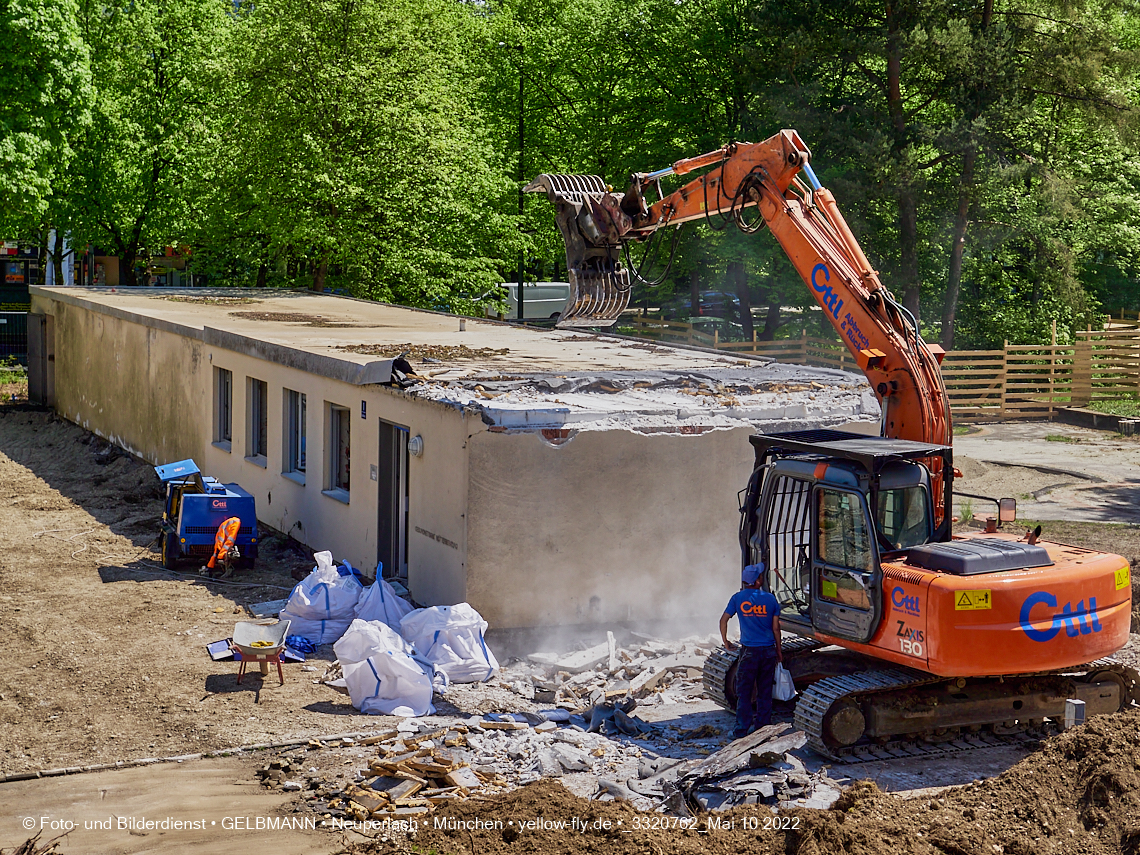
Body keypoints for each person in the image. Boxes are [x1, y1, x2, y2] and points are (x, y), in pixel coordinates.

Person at [720, 562, 782, 739]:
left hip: (749, 652)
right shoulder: (770, 599)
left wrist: (725, 641)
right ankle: (762, 728)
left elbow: (723, 620)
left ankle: (741, 730)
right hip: (768, 650)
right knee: (764, 691)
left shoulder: (737, 598)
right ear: (757, 580)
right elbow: (776, 629)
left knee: (744, 692)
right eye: (761, 576)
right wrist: (779, 651)